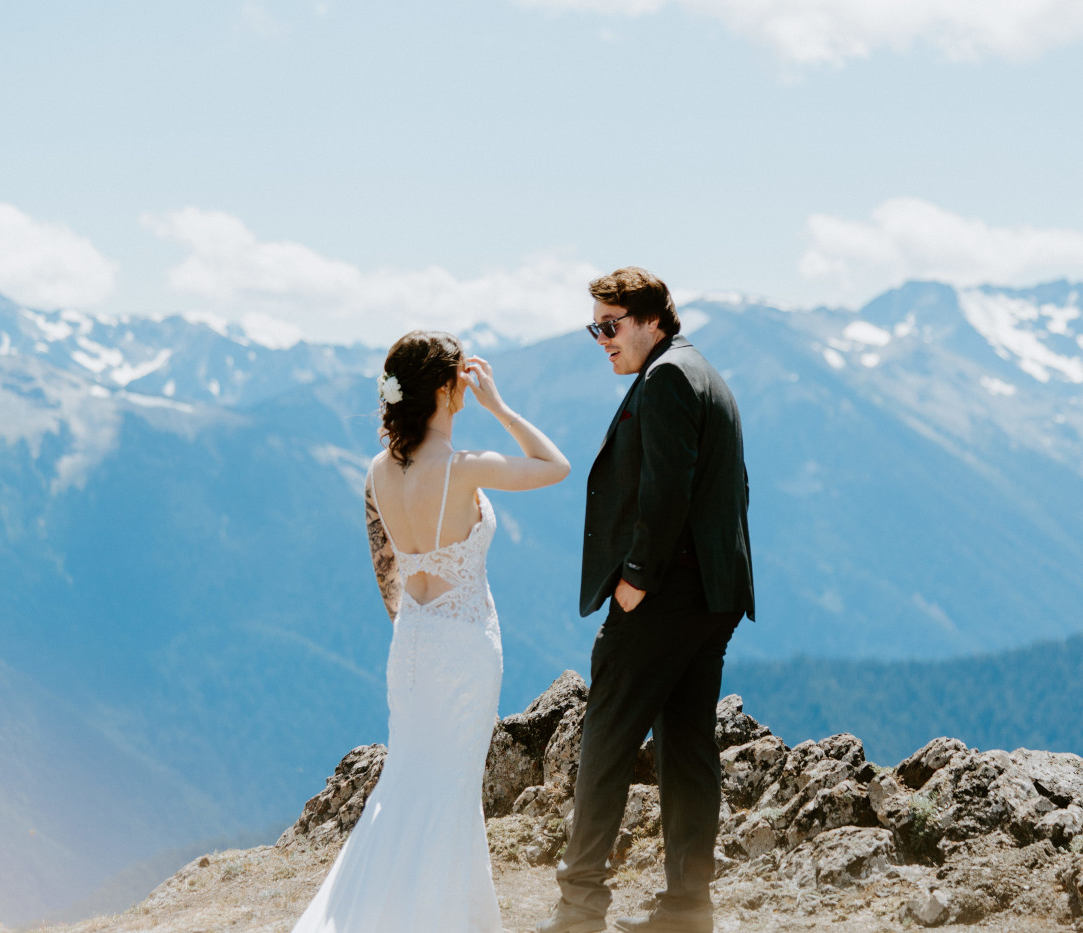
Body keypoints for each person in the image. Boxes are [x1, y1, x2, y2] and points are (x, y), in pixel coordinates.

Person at [291, 330, 570, 933]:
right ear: (447, 388)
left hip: (411, 644)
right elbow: (557, 466)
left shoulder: (377, 471)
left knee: (409, 782)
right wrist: (499, 407)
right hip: (464, 648)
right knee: (449, 791)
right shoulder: (462, 470)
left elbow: (385, 565)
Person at [537, 268, 754, 933]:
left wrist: (634, 579)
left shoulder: (663, 380)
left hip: (662, 595)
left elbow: (667, 490)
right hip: (712, 594)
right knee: (687, 747)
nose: (601, 338)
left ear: (651, 319)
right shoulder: (699, 371)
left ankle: (579, 908)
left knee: (604, 739)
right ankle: (688, 907)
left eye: (610, 325)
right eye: (594, 327)